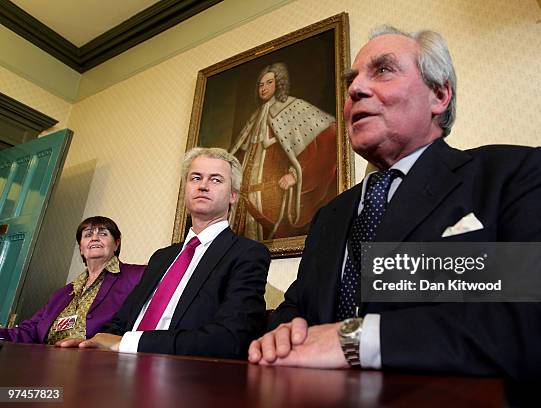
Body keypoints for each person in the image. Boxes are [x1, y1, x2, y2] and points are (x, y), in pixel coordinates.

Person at [248, 26, 541, 405]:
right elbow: (297, 307)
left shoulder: (508, 174)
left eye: (382, 71)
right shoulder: (329, 215)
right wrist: (284, 333)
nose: (354, 90)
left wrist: (354, 339)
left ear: (439, 94)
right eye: (352, 79)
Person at [58, 147, 270, 358]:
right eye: (195, 178)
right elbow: (121, 320)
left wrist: (128, 342)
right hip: (115, 363)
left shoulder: (248, 254)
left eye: (216, 180)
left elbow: (231, 338)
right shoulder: (162, 257)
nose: (203, 185)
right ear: (186, 188)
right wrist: (93, 342)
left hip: (178, 372)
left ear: (233, 195)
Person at [230, 62, 338, 240]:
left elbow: (327, 138)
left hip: (273, 198)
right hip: (245, 200)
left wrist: (295, 175)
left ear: (279, 83)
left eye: (269, 83)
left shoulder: (293, 107)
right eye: (261, 84)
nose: (264, 88)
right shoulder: (255, 117)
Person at [0, 216, 144, 344]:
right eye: (88, 234)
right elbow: (28, 331)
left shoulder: (138, 275)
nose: (94, 238)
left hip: (101, 363)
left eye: (103, 233)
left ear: (116, 244)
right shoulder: (62, 293)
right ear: (81, 248)